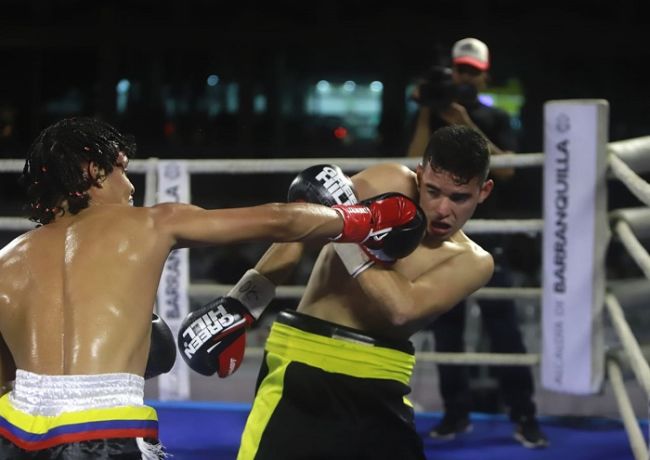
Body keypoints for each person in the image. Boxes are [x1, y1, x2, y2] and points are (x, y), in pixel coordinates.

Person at [0, 117, 419, 459]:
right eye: (122, 169)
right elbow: (279, 220)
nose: (129, 187)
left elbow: (5, 380)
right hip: (105, 427)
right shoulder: (151, 222)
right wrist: (365, 218)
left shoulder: (6, 262)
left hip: (14, 430)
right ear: (93, 172)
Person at [216, 125, 495, 459]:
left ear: (484, 191)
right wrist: (241, 306)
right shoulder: (389, 181)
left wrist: (350, 226)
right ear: (420, 175)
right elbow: (301, 231)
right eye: (433, 191)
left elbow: (402, 308)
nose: (441, 209)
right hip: (303, 361)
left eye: (459, 197)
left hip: (383, 380)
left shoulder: (474, 261)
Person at [407, 37, 548, 448]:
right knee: (447, 329)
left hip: (489, 237)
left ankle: (525, 415)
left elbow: (504, 171)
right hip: (441, 237)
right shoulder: (430, 116)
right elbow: (411, 163)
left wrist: (461, 119)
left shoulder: (495, 117)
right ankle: (455, 415)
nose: (464, 76)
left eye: (471, 70)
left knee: (503, 329)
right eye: (459, 69)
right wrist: (426, 114)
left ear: (484, 76)